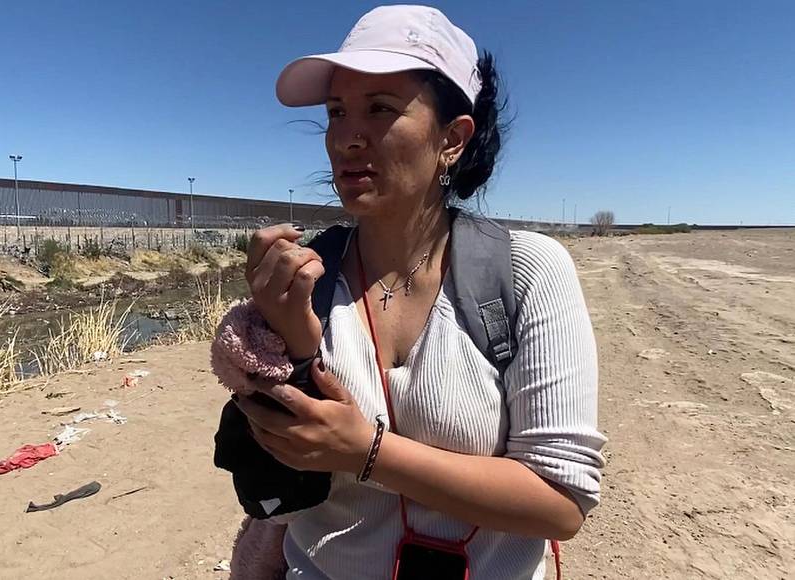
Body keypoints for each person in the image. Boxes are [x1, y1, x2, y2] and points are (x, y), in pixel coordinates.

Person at [224, 6, 605, 579]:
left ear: (452, 138)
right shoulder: (312, 276)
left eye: (380, 109)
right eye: (336, 112)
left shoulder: (528, 271)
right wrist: (287, 340)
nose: (347, 138)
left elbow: (559, 502)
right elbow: (277, 467)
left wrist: (368, 453)